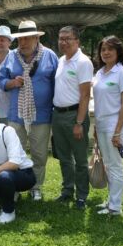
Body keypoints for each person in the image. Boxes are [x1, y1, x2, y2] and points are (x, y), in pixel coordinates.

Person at [0, 20, 58, 201]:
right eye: (19, 39)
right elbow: (0, 80)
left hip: (42, 115)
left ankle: (36, 186)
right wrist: (11, 83)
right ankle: (14, 187)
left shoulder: (49, 56)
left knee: (39, 154)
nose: (22, 43)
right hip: (16, 114)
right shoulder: (11, 57)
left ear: (35, 38)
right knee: (14, 153)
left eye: (26, 39)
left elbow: (57, 84)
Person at [52, 25, 93, 209]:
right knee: (64, 157)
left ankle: (82, 195)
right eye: (61, 38)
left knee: (80, 159)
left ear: (77, 41)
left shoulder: (83, 62)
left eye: (68, 38)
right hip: (58, 115)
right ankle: (67, 190)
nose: (63, 42)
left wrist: (79, 122)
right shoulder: (61, 60)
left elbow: (85, 95)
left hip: (75, 115)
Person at [92, 35, 123, 215]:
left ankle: (115, 207)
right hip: (101, 124)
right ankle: (110, 201)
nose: (106, 52)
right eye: (103, 49)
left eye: (110, 49)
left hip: (116, 126)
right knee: (108, 164)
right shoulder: (100, 73)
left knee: (115, 165)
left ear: (118, 52)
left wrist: (117, 132)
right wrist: (96, 126)